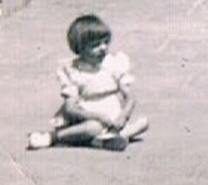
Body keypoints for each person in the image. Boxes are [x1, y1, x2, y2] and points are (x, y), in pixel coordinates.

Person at [28, 13, 149, 151]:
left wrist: (123, 116)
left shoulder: (113, 64)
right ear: (80, 48)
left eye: (105, 42)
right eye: (95, 45)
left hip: (113, 117)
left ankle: (100, 140)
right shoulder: (73, 70)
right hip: (87, 117)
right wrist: (97, 116)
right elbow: (70, 107)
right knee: (93, 127)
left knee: (143, 123)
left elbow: (130, 97)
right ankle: (54, 137)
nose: (103, 48)